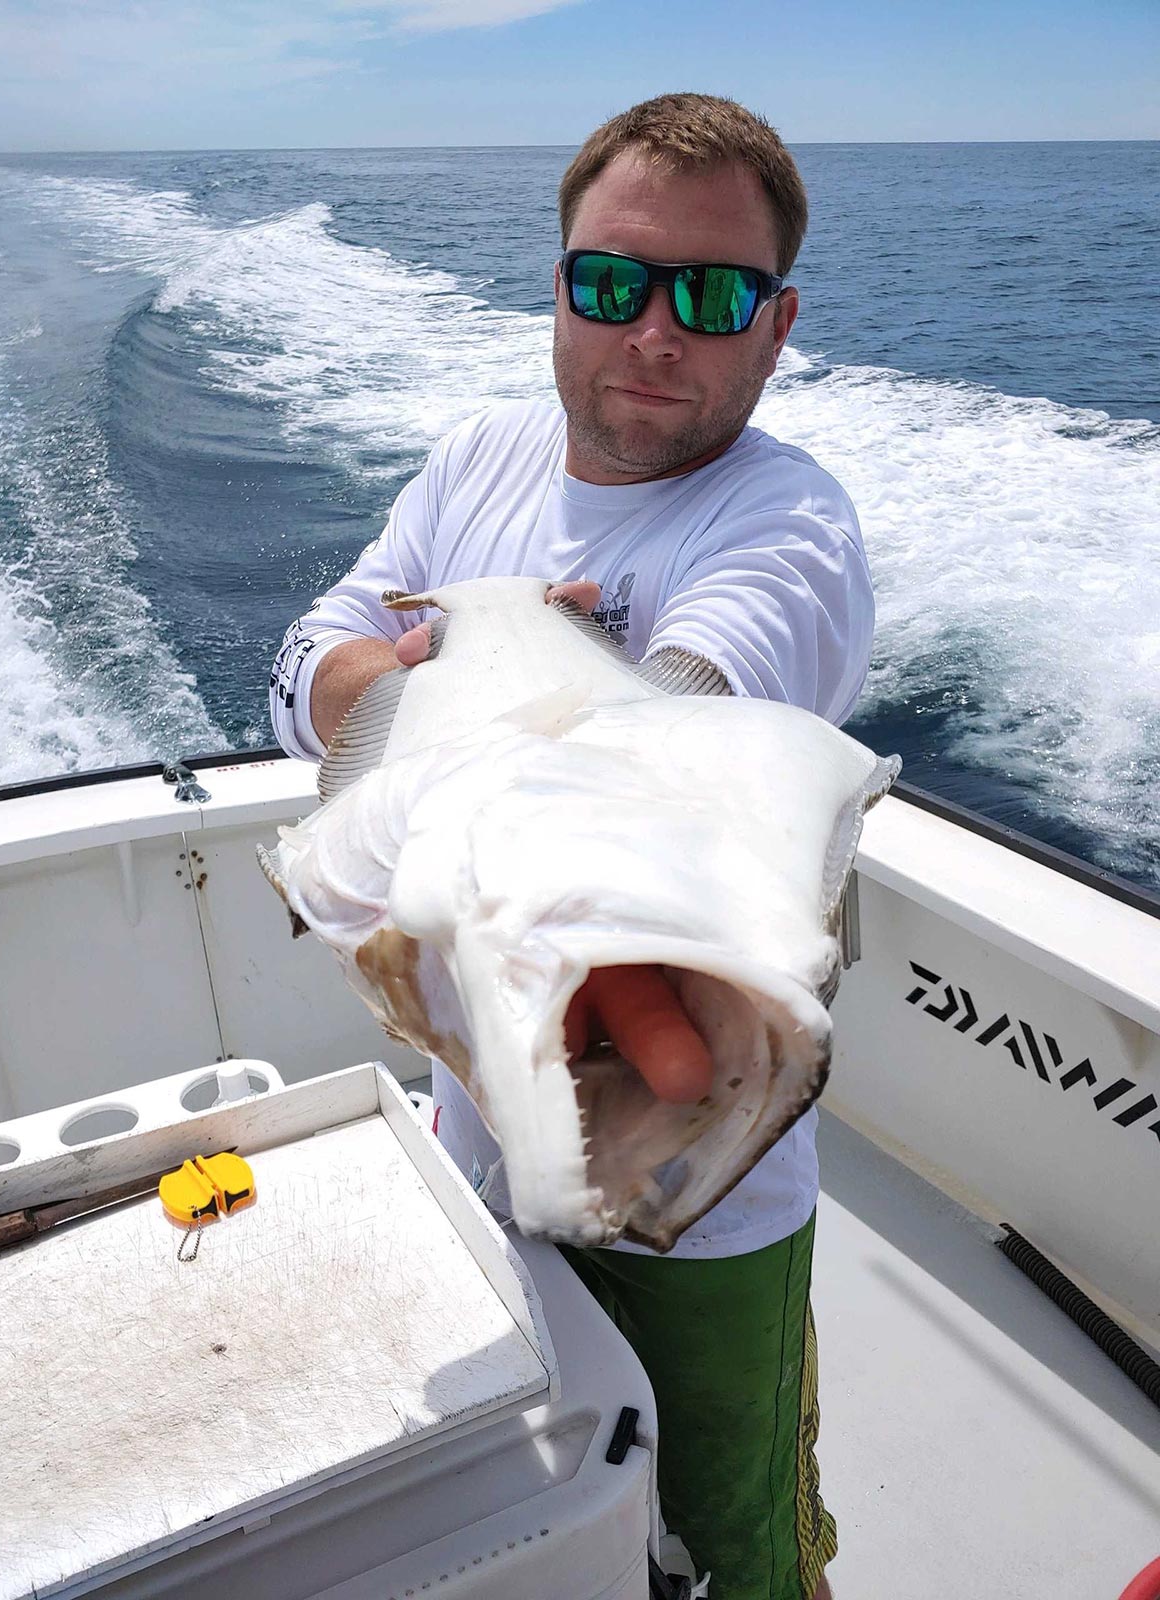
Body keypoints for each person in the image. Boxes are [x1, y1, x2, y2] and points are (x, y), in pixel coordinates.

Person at [270, 92, 874, 1600]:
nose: (655, 330)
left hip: (708, 1200)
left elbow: (704, 699)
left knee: (739, 1540)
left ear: (776, 323)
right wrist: (449, 674)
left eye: (713, 295)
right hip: (481, 1134)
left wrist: (468, 698)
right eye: (613, 281)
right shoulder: (478, 458)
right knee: (550, 1496)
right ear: (559, 285)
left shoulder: (789, 525)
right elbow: (306, 663)